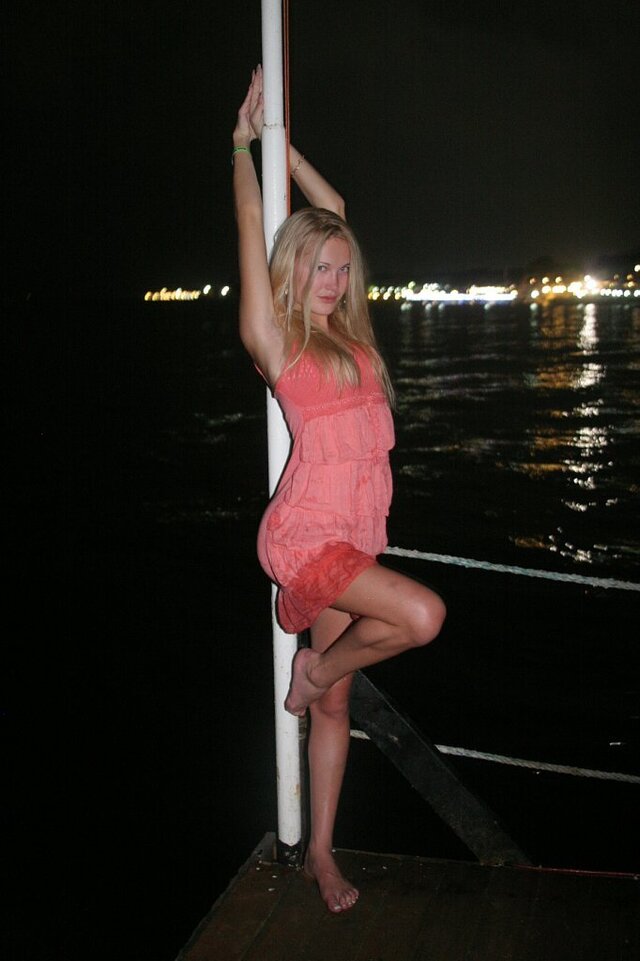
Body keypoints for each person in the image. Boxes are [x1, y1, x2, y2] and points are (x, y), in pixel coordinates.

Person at [232, 66, 446, 914]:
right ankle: (314, 667)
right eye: (319, 266)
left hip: (355, 533)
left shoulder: (353, 339)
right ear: (294, 269)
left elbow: (339, 207)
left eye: (341, 269)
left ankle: (320, 852)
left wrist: (288, 145)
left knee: (335, 708)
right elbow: (255, 221)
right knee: (421, 616)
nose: (332, 279)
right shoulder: (279, 340)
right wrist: (245, 148)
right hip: (308, 535)